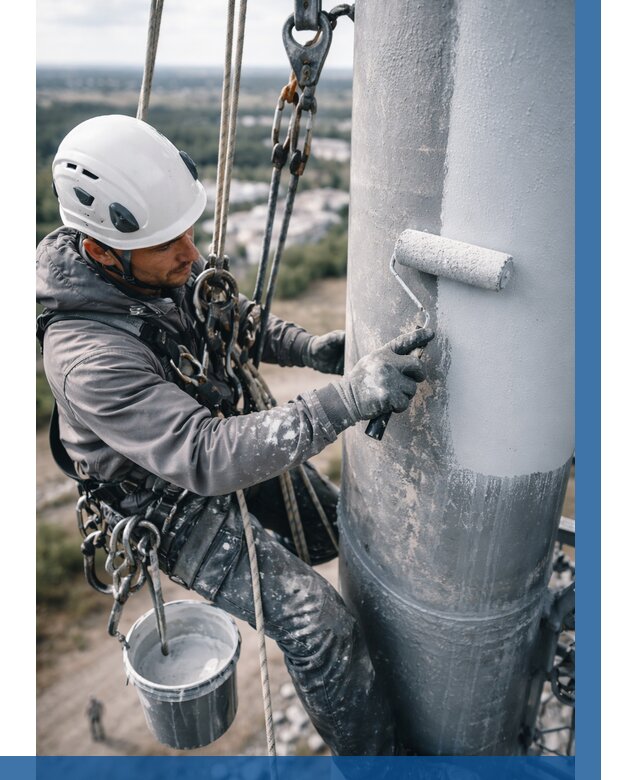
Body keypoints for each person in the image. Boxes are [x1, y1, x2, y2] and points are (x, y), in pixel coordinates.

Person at [36, 115, 433, 756]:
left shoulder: (150, 266)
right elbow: (203, 455)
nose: (190, 254)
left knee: (337, 532)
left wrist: (310, 349)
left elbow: (225, 313)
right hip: (164, 500)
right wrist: (348, 399)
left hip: (217, 440)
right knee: (317, 625)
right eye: (169, 245)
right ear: (101, 252)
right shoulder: (87, 355)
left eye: (187, 233)